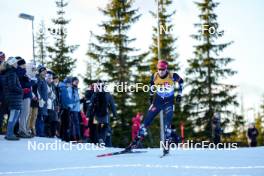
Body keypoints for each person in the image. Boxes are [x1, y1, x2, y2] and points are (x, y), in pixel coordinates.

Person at [128, 60, 183, 154]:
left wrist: (179, 94)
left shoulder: (172, 75)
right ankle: (134, 144)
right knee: (145, 123)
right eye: (159, 69)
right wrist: (150, 95)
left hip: (168, 103)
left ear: (166, 69)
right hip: (157, 102)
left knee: (167, 125)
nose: (161, 71)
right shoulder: (155, 75)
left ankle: (166, 146)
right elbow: (151, 85)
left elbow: (181, 82)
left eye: (163, 69)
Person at [3, 57, 23, 140]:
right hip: (13, 98)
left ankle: (10, 133)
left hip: (14, 98)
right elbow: (12, 86)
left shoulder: (12, 72)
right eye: (15, 63)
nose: (17, 64)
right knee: (13, 116)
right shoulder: (11, 73)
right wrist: (21, 90)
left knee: (15, 116)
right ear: (11, 64)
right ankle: (9, 134)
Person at [16, 57, 32, 138]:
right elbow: (25, 84)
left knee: (26, 114)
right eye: (24, 64)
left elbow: (29, 83)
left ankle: (24, 130)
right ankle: (22, 130)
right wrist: (30, 82)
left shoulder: (24, 72)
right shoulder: (20, 71)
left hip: (27, 95)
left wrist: (30, 81)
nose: (25, 65)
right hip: (24, 95)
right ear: (22, 64)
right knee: (24, 114)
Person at [45, 73, 59, 137]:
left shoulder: (54, 86)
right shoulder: (47, 84)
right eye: (49, 78)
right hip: (48, 105)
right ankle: (48, 133)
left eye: (51, 78)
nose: (56, 81)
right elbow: (49, 94)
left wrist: (57, 104)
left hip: (54, 105)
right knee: (49, 120)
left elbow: (56, 96)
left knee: (55, 120)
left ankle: (53, 133)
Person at [35, 66, 48, 137]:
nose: (45, 72)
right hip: (41, 101)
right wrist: (40, 99)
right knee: (40, 117)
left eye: (45, 71)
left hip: (45, 102)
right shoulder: (39, 79)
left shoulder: (44, 80)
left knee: (43, 116)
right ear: (40, 72)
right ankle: (39, 132)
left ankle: (41, 131)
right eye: (43, 71)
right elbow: (38, 90)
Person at [67, 77, 81, 141]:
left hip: (76, 109)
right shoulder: (70, 89)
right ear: (72, 82)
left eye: (78, 81)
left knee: (75, 123)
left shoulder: (75, 89)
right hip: (73, 109)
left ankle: (75, 137)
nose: (77, 83)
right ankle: (74, 137)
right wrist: (71, 106)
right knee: (74, 123)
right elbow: (70, 98)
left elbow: (76, 98)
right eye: (75, 81)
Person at [59, 77, 72, 142]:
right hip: (64, 108)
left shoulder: (64, 88)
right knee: (65, 122)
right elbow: (64, 99)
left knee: (64, 122)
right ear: (67, 83)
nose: (70, 85)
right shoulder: (64, 88)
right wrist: (66, 107)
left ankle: (63, 136)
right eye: (70, 83)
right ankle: (65, 137)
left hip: (64, 107)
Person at [0, 51, 8, 134]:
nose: (3, 59)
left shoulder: (5, 70)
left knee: (3, 114)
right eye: (1, 57)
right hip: (2, 96)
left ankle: (3, 129)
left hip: (5, 96)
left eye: (3, 57)